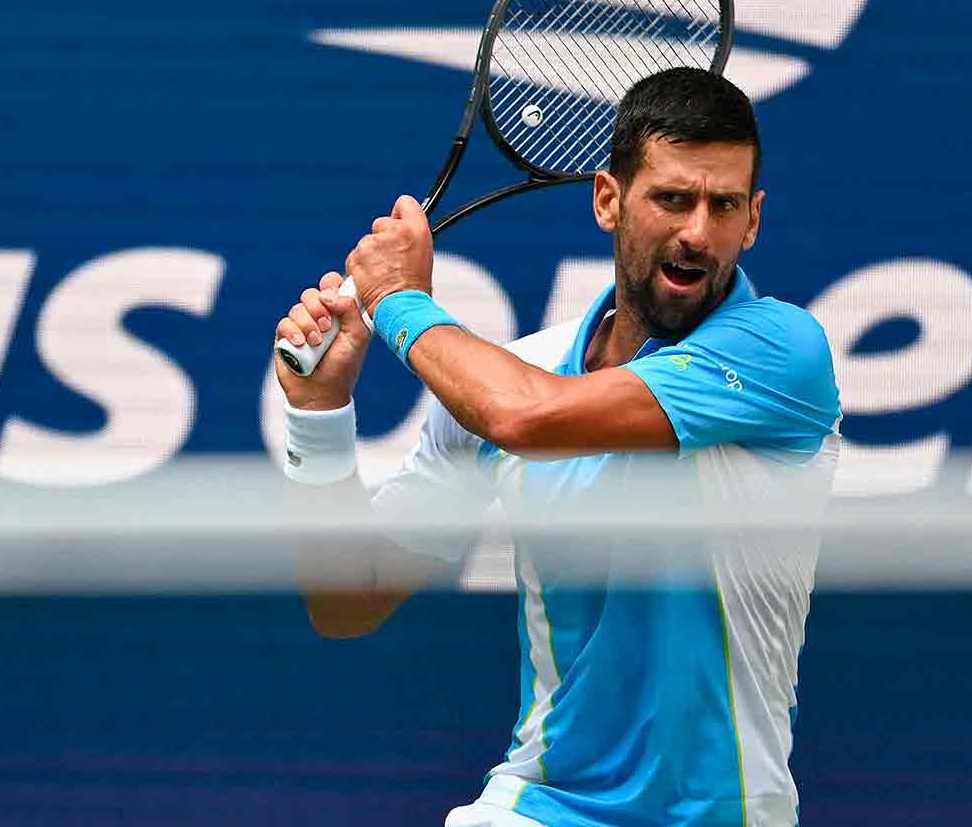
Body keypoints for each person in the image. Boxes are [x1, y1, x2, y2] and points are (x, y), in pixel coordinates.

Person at [271, 67, 842, 827]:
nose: (698, 232)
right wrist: (320, 415)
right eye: (673, 199)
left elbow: (526, 418)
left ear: (754, 220)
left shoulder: (783, 351)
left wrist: (397, 302)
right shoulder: (505, 378)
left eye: (724, 205)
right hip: (542, 808)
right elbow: (349, 599)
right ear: (608, 199)